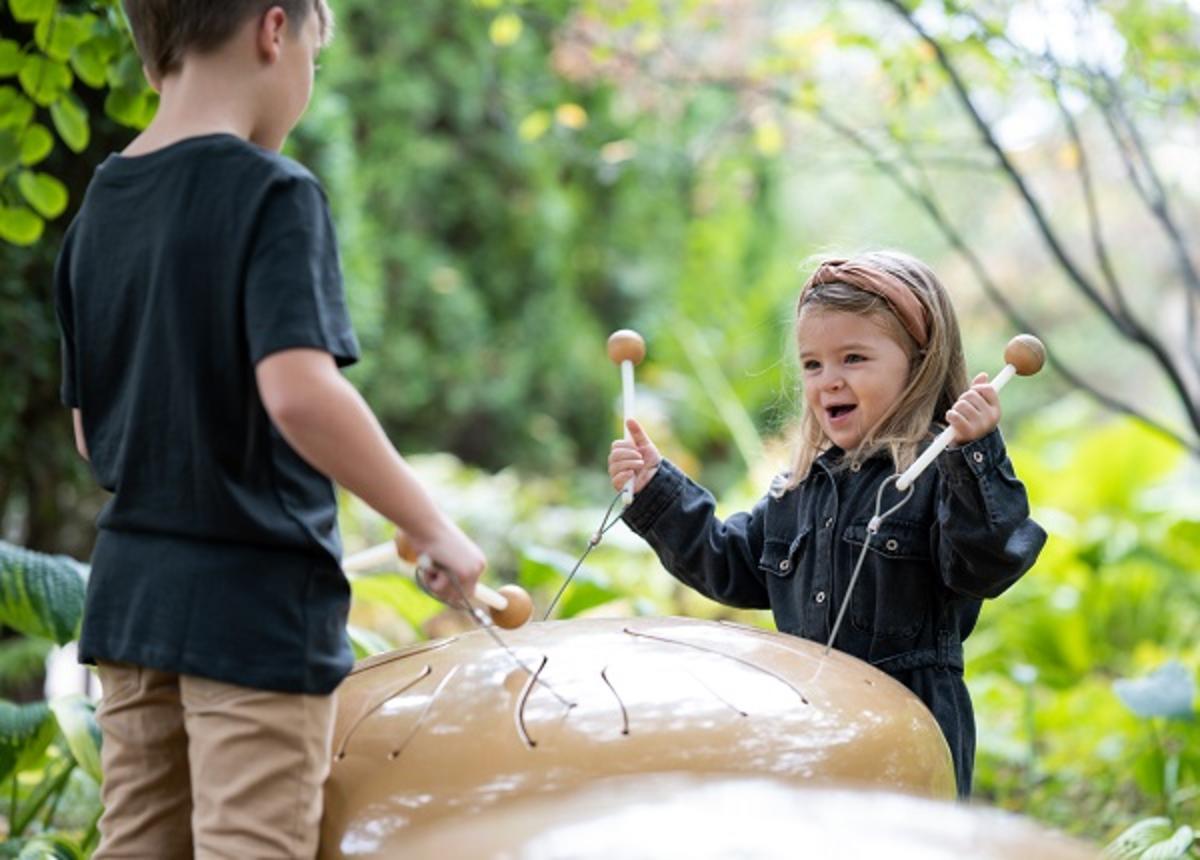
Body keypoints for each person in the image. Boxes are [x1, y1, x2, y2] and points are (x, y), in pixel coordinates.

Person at [53, 2, 485, 856]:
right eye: (314, 59)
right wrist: (430, 524)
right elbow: (298, 393)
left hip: (131, 599)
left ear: (152, 55)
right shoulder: (273, 192)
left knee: (137, 843)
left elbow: (86, 434)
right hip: (251, 608)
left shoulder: (100, 204)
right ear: (274, 31)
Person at [608, 250, 1047, 797]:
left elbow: (986, 562)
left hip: (908, 741)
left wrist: (976, 453)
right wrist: (656, 489)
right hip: (809, 729)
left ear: (920, 362)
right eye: (813, 364)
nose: (828, 380)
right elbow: (729, 565)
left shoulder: (941, 476)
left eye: (854, 358)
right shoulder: (801, 490)